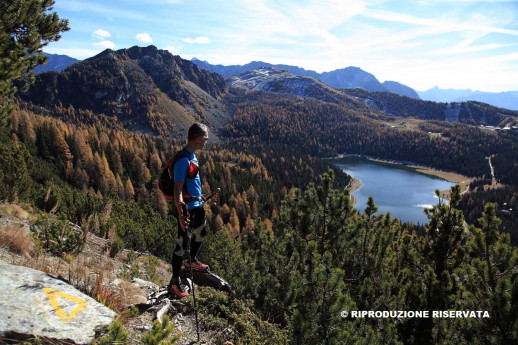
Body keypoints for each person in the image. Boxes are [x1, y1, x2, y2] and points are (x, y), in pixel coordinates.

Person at [168, 122, 211, 298]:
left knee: (202, 230)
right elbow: (177, 189)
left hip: (197, 205)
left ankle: (191, 260)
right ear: (199, 138)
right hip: (187, 209)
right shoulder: (183, 160)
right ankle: (174, 281)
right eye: (205, 139)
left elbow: (193, 183)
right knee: (181, 244)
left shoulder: (192, 156)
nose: (206, 142)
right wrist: (181, 213)